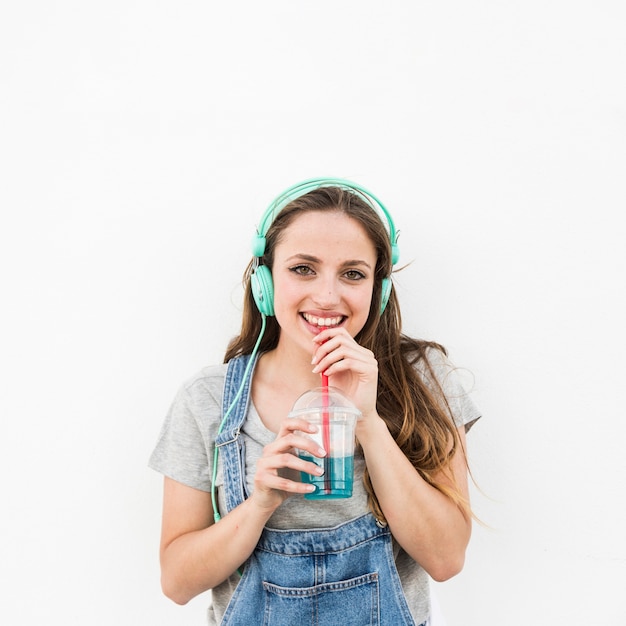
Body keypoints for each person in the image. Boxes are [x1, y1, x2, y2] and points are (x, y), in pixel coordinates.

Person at [149, 178, 481, 625]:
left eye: (353, 273)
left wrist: (366, 420)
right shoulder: (208, 400)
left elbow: (446, 558)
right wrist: (260, 503)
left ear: (378, 291)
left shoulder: (425, 378)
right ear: (264, 282)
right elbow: (177, 582)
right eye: (303, 268)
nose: (327, 296)